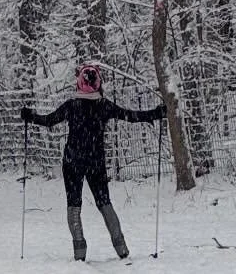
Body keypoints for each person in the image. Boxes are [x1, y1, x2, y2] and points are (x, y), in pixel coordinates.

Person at [22, 64, 166, 261]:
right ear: (99, 83)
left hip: (72, 161)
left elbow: (48, 121)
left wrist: (29, 116)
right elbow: (131, 116)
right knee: (104, 203)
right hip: (95, 162)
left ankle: (79, 253)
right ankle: (121, 248)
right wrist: (155, 113)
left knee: (73, 205)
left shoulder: (72, 105)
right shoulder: (104, 106)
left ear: (79, 83)